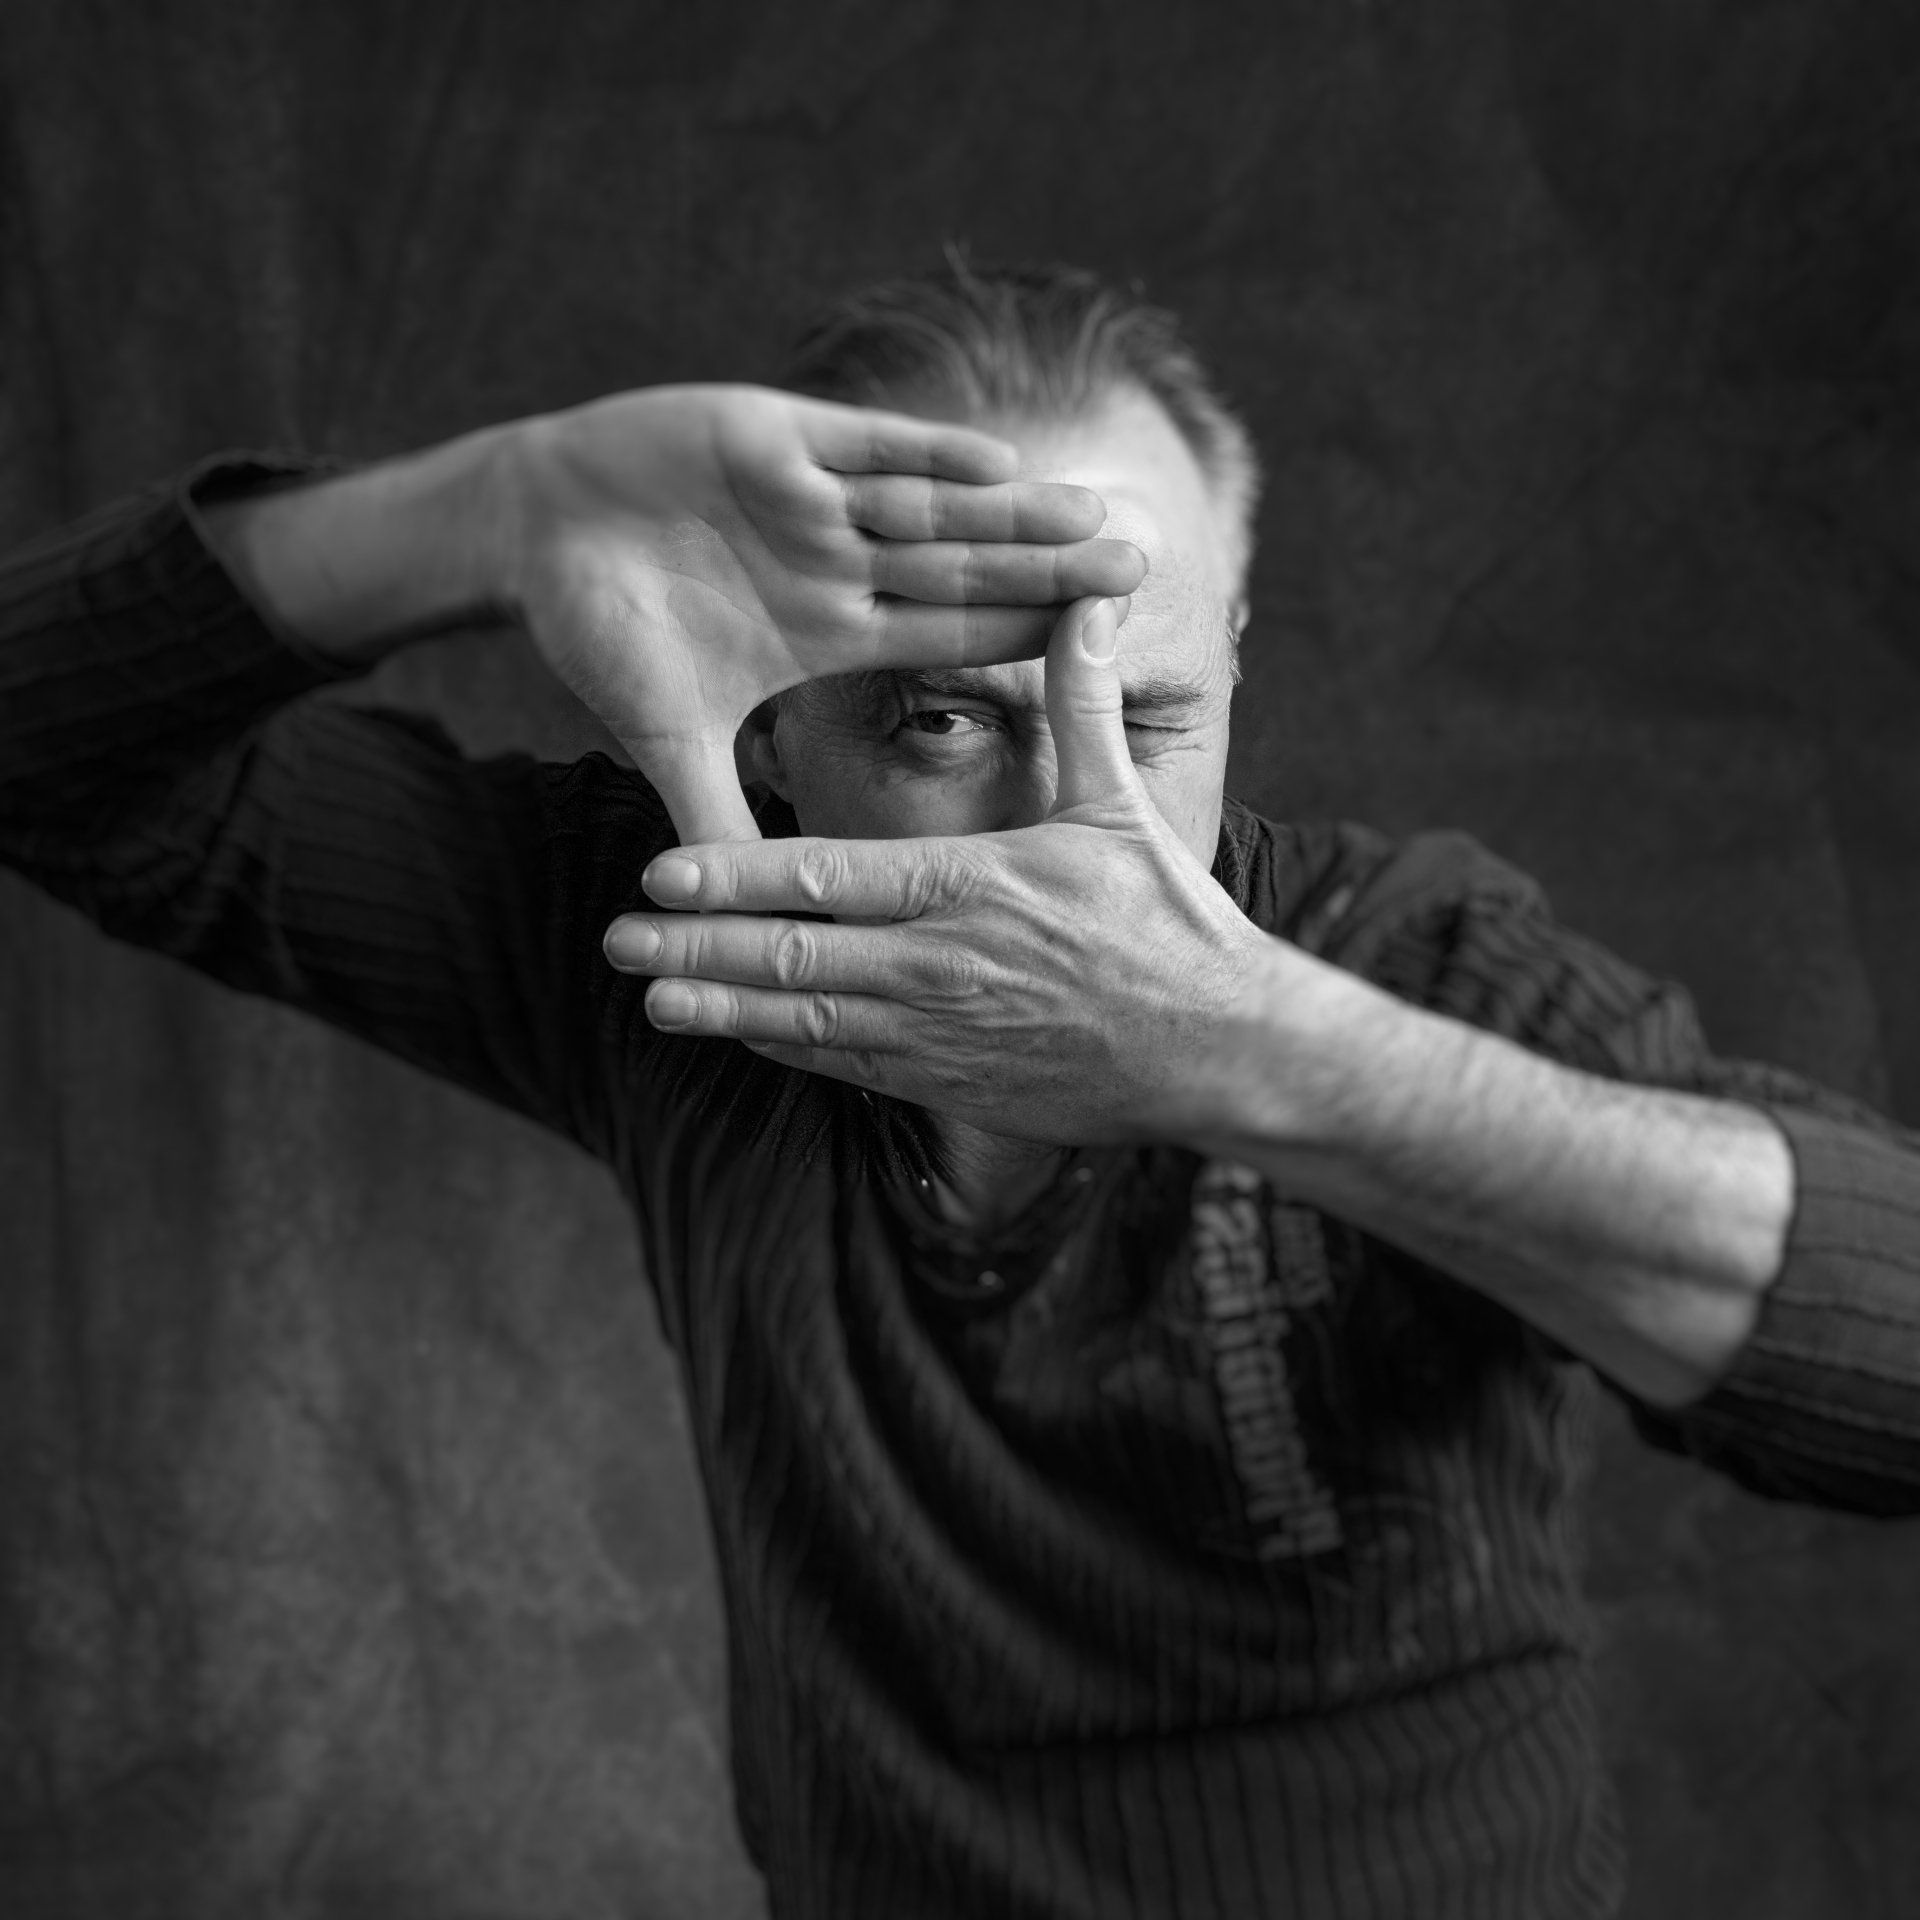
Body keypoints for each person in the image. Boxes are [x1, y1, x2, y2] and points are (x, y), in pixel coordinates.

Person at [4, 261, 1919, 1920]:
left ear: (1232, 662)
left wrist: (1256, 1053)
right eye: (939, 722)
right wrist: (482, 514)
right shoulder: (691, 941)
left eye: (1146, 719)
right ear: (771, 728)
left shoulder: (1415, 968)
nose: (1072, 829)